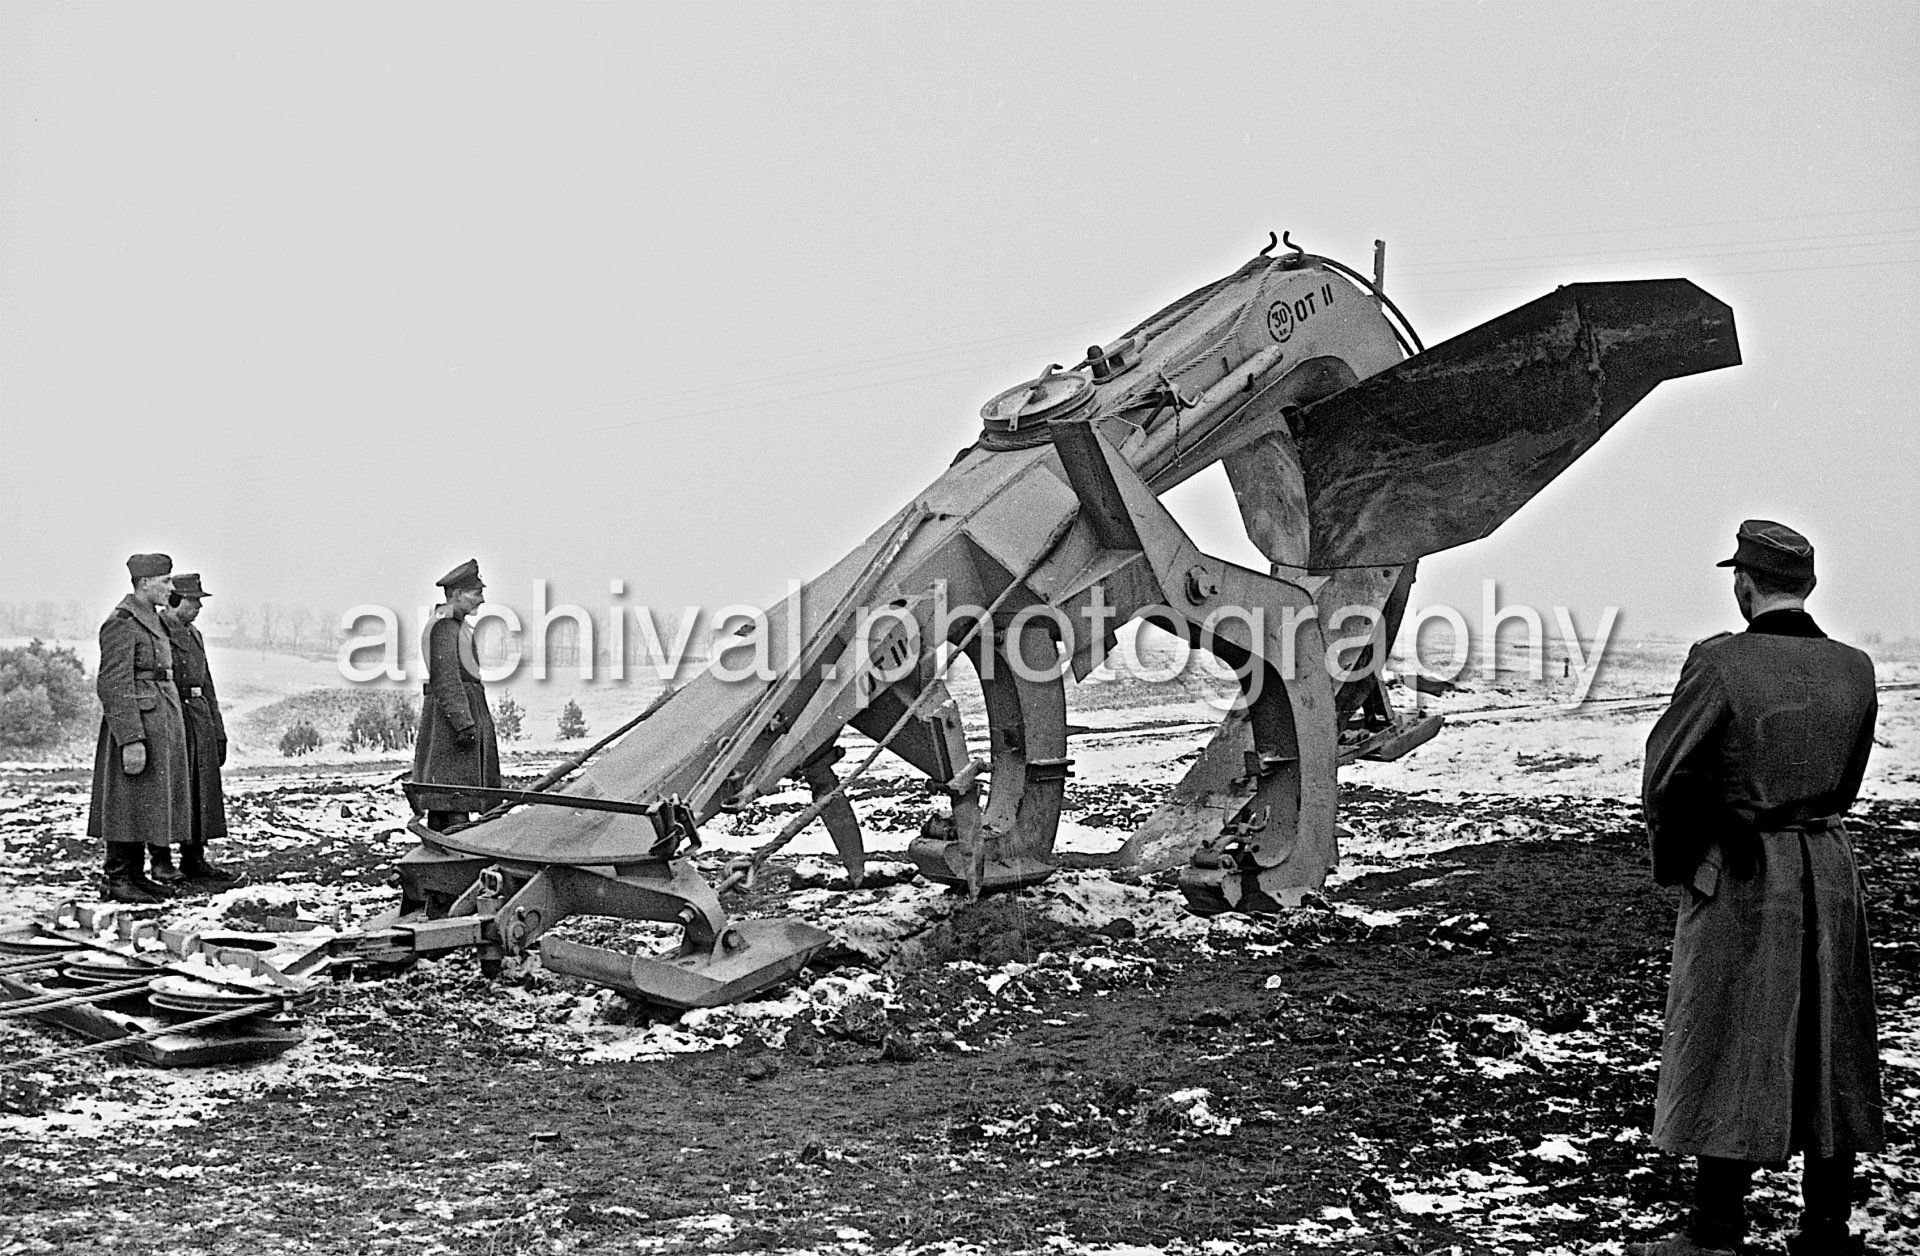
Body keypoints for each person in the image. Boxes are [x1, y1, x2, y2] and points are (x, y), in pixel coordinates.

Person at [1631, 520, 1882, 1256]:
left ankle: (1715, 1229)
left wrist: (1688, 855)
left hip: (1744, 873)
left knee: (1728, 1035)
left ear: (1744, 584)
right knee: (1830, 1042)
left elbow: (1666, 773)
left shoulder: (1719, 664)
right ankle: (1827, 1229)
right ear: (1805, 584)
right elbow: (1850, 780)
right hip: (1830, 869)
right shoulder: (1858, 668)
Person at [86, 553, 192, 904]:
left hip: (159, 717)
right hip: (138, 723)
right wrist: (131, 738)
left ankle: (135, 876)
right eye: (166, 581)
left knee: (146, 800)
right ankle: (117, 877)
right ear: (144, 583)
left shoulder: (153, 621)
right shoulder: (123, 622)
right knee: (127, 800)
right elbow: (113, 684)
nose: (172, 587)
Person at [155, 573, 243, 892]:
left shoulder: (195, 635)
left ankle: (194, 859)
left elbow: (207, 685)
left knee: (200, 789)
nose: (198, 608)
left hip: (198, 715)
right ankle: (161, 862)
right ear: (175, 599)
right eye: (194, 601)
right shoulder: (158, 631)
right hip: (171, 715)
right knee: (169, 788)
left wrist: (218, 729)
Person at [411, 559, 501, 831]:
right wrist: (463, 723)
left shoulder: (454, 625)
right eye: (477, 593)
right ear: (458, 594)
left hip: (456, 723)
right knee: (454, 801)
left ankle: (446, 852)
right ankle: (453, 857)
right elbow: (446, 679)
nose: (482, 600)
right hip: (452, 731)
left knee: (450, 802)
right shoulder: (444, 626)